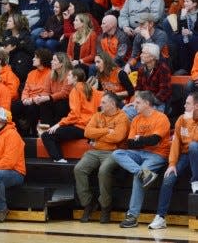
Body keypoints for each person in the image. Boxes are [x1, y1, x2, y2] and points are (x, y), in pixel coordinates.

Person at [112, 90, 170, 228]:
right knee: (117, 154)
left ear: (147, 103)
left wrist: (140, 139)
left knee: (137, 178)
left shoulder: (161, 118)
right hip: (139, 153)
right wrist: (143, 141)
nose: (134, 105)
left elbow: (155, 140)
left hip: (158, 154)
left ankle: (132, 216)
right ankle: (143, 173)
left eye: (137, 102)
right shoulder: (136, 119)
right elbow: (130, 143)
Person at [74, 92, 130, 223]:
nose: (100, 105)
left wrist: (97, 137)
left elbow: (117, 137)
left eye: (104, 102)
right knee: (78, 168)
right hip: (95, 150)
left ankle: (105, 206)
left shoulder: (122, 117)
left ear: (112, 104)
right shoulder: (97, 115)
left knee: (103, 171)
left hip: (113, 152)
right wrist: (106, 131)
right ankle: (88, 204)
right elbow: (87, 132)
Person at [148, 92, 198, 229]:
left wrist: (194, 119)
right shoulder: (181, 119)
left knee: (194, 146)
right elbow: (176, 143)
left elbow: (195, 139)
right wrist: (172, 164)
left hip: (197, 153)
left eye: (187, 103)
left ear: (196, 106)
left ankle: (196, 181)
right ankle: (160, 217)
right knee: (168, 178)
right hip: (184, 155)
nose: (184, 105)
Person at [41, 67, 103, 162]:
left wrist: (59, 124)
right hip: (91, 128)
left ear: (75, 78)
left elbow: (75, 115)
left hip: (81, 128)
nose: (67, 78)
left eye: (69, 75)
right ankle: (59, 159)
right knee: (56, 132)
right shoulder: (92, 90)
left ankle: (58, 159)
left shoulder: (75, 90)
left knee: (46, 135)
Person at [123, 43, 172, 121]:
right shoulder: (141, 69)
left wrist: (146, 103)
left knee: (142, 117)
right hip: (143, 102)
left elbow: (164, 92)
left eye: (144, 53)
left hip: (157, 103)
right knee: (125, 111)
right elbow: (138, 89)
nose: (141, 55)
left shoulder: (163, 69)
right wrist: (136, 102)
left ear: (152, 57)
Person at [11, 48, 52, 136]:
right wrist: (25, 99)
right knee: (12, 107)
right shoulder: (31, 73)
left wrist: (32, 100)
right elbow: (26, 89)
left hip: (39, 101)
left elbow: (46, 91)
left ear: (43, 59)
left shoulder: (50, 73)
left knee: (32, 108)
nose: (33, 59)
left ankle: (32, 132)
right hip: (28, 100)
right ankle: (19, 130)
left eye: (36, 57)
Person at [33, 52, 73, 128]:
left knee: (60, 105)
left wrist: (48, 98)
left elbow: (64, 93)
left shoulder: (69, 74)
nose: (51, 62)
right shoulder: (50, 74)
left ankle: (57, 129)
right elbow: (46, 91)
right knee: (43, 104)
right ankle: (45, 129)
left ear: (61, 64)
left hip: (67, 101)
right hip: (54, 99)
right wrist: (40, 97)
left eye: (54, 60)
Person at [168, 0, 198, 73]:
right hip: (184, 36)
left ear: (194, 3)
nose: (185, 3)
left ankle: (193, 67)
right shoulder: (182, 12)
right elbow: (182, 30)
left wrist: (191, 33)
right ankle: (183, 68)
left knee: (192, 40)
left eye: (187, 1)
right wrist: (183, 18)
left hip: (195, 36)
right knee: (176, 41)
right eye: (184, 1)